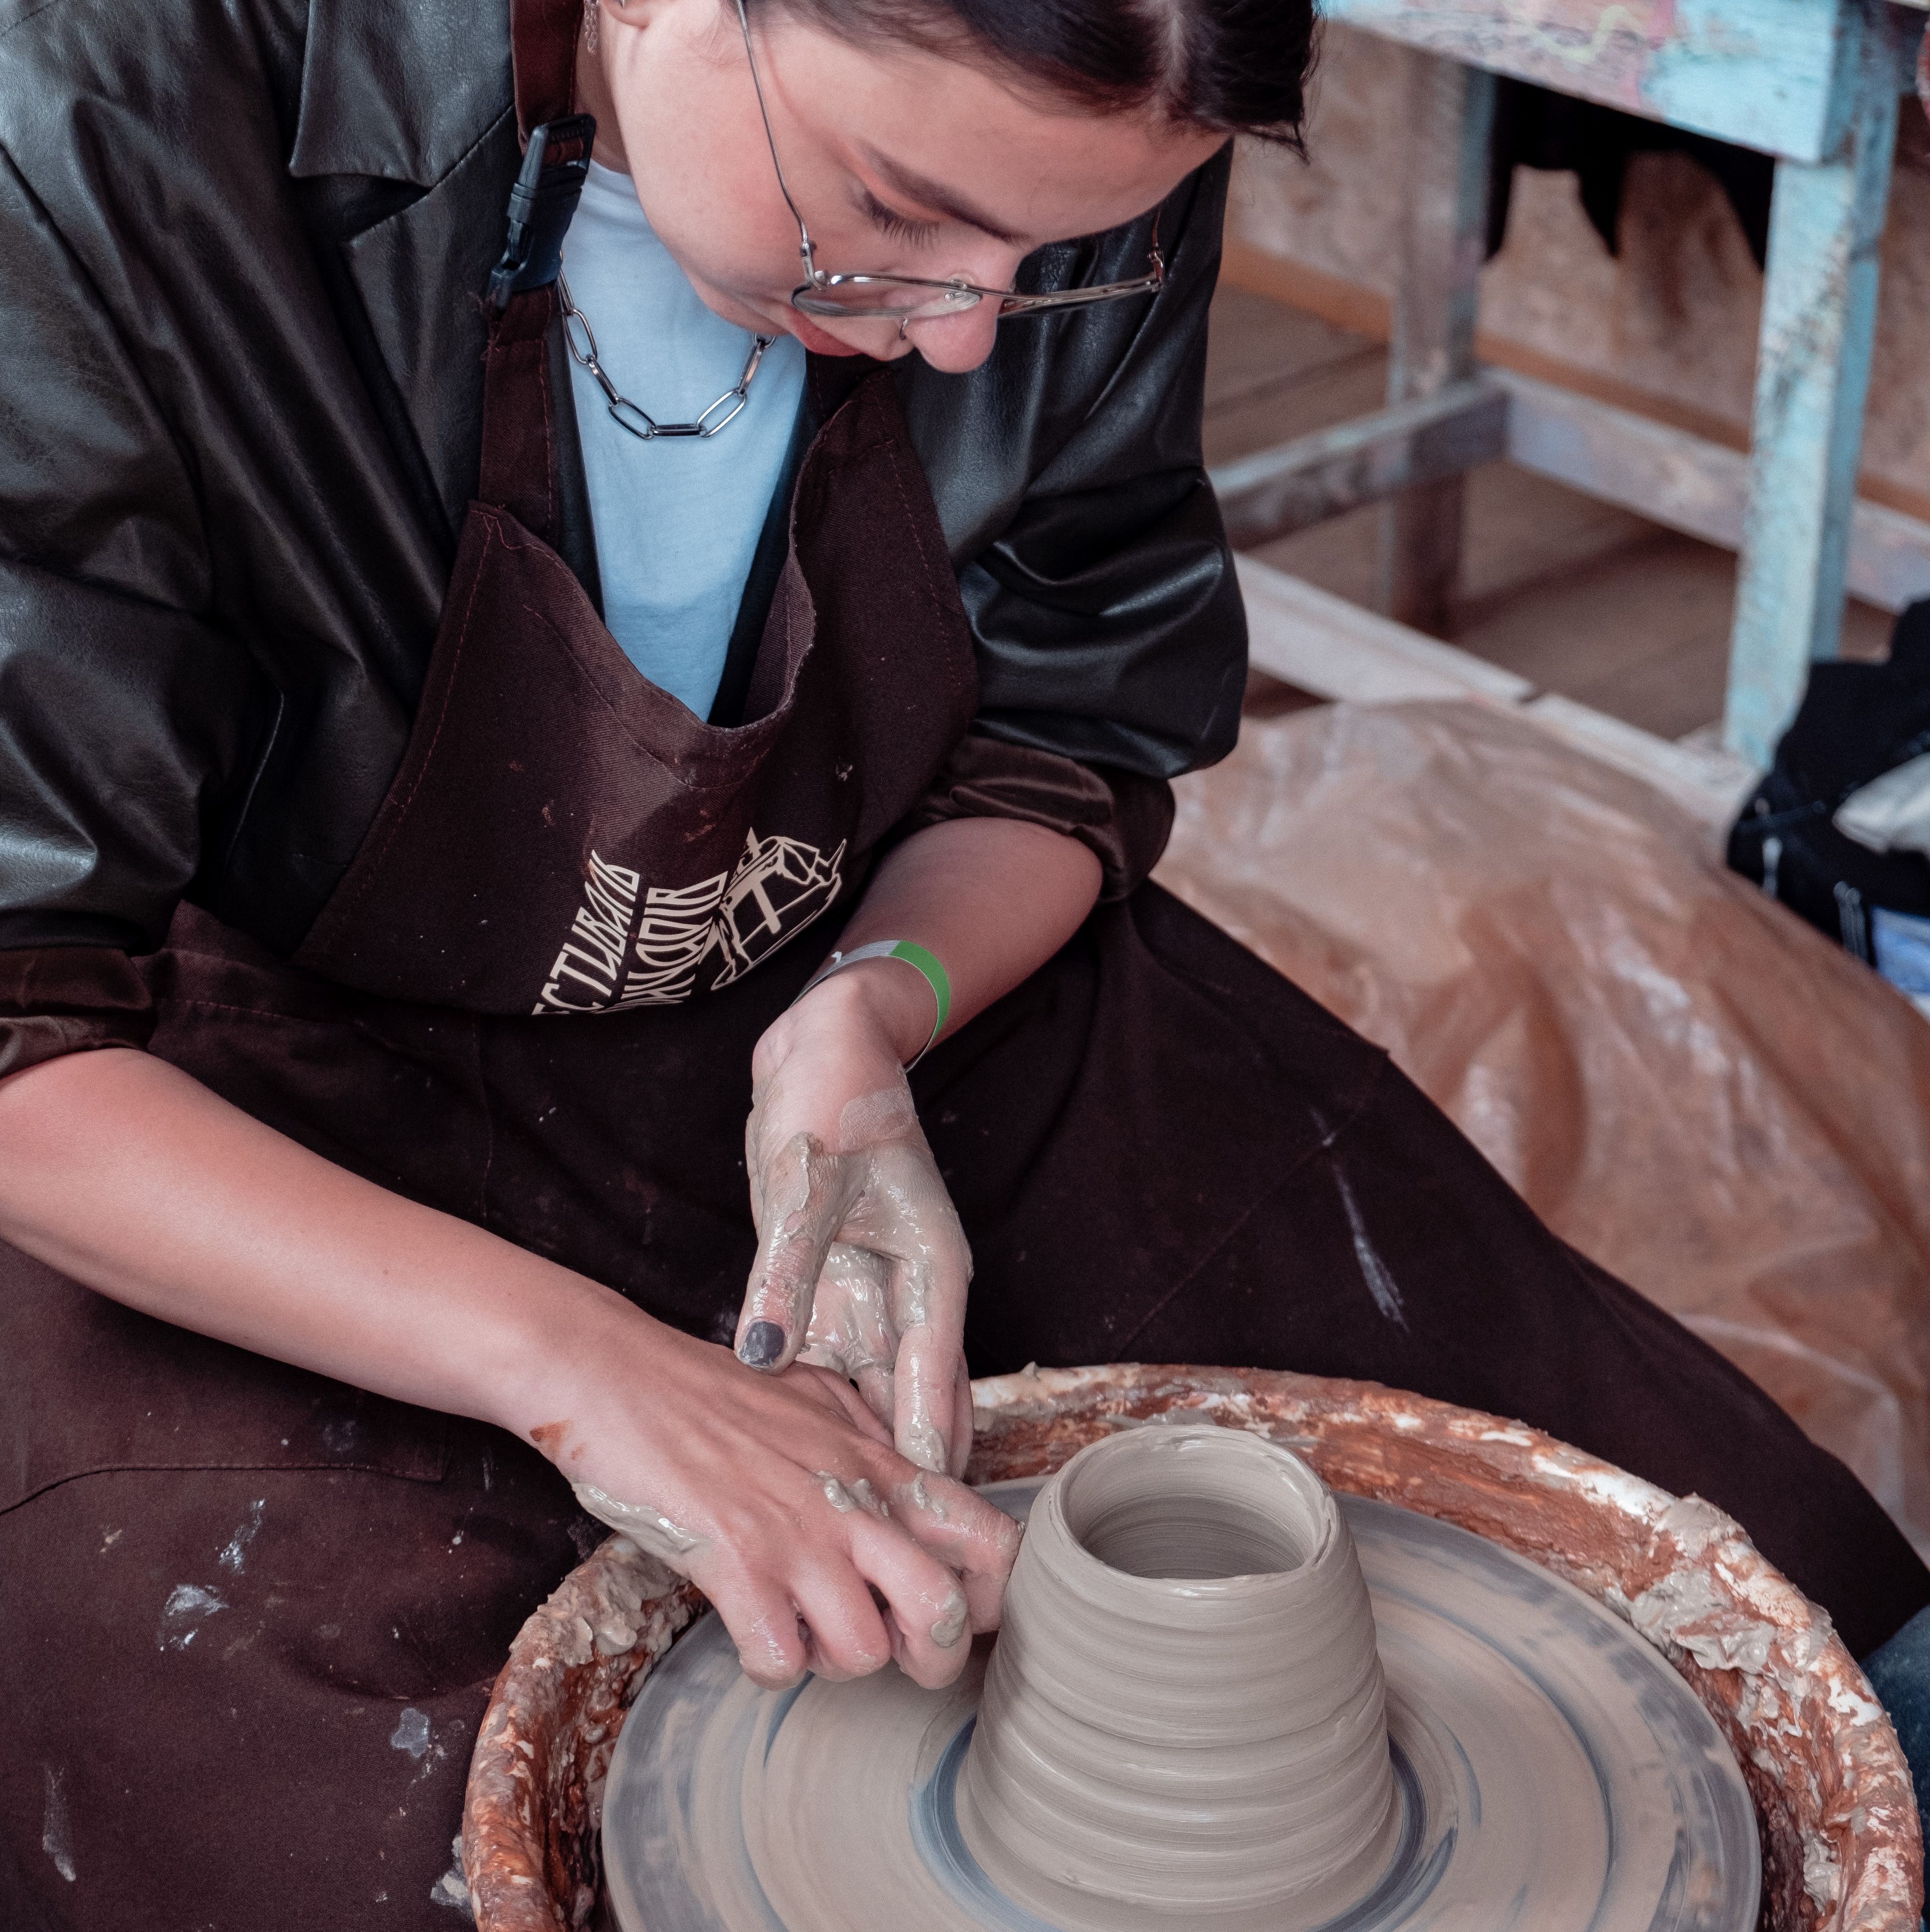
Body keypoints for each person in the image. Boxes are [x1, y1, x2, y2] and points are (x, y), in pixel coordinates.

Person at [0, 0, 1922, 1922]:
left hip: (835, 954)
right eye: (892, 214)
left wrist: (876, 1008)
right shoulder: (99, 122)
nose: (966, 332)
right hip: (236, 1103)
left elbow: (1065, 724)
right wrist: (594, 1377)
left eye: (1051, 265)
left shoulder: (1079, 156)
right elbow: (24, 1016)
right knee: (363, 1795)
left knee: (1613, 1561)